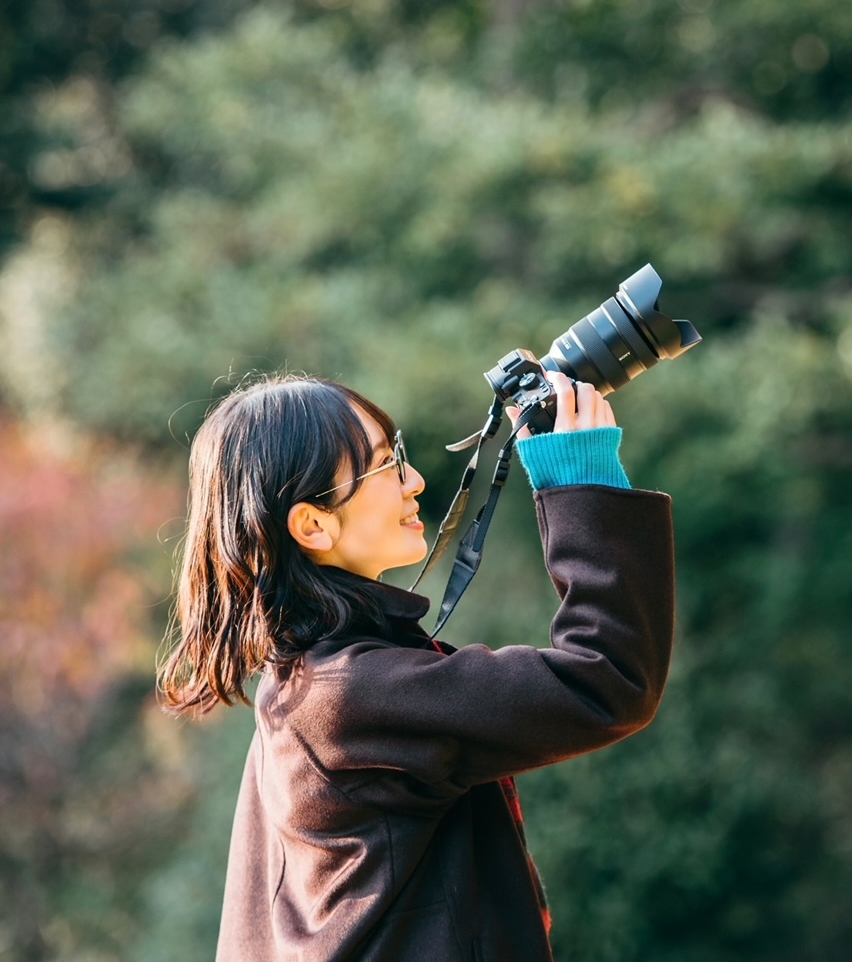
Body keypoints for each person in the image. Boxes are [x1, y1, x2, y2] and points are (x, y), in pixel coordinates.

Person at [159, 370, 674, 962]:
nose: (415, 480)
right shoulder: (348, 695)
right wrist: (584, 482)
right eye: (387, 465)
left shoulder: (302, 682)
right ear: (313, 525)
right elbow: (607, 681)